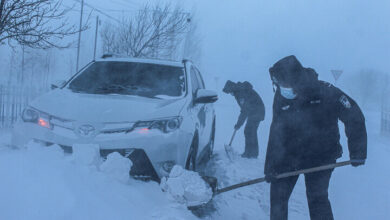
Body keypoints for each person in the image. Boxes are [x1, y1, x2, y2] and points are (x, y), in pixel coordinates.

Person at [264, 55, 367, 220]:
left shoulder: (325, 91)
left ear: (295, 80)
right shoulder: (281, 96)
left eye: (284, 83)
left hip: (321, 156)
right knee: (277, 198)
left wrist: (358, 151)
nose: (281, 88)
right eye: (277, 84)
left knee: (317, 198)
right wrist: (270, 166)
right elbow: (276, 131)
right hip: (289, 156)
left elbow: (353, 115)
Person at [223, 80, 265, 158]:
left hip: (257, 111)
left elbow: (245, 110)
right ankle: (252, 153)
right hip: (256, 111)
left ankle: (250, 153)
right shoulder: (239, 91)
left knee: (249, 131)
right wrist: (239, 124)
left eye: (229, 92)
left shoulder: (240, 93)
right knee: (251, 131)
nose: (230, 94)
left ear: (232, 88)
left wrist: (238, 125)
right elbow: (245, 109)